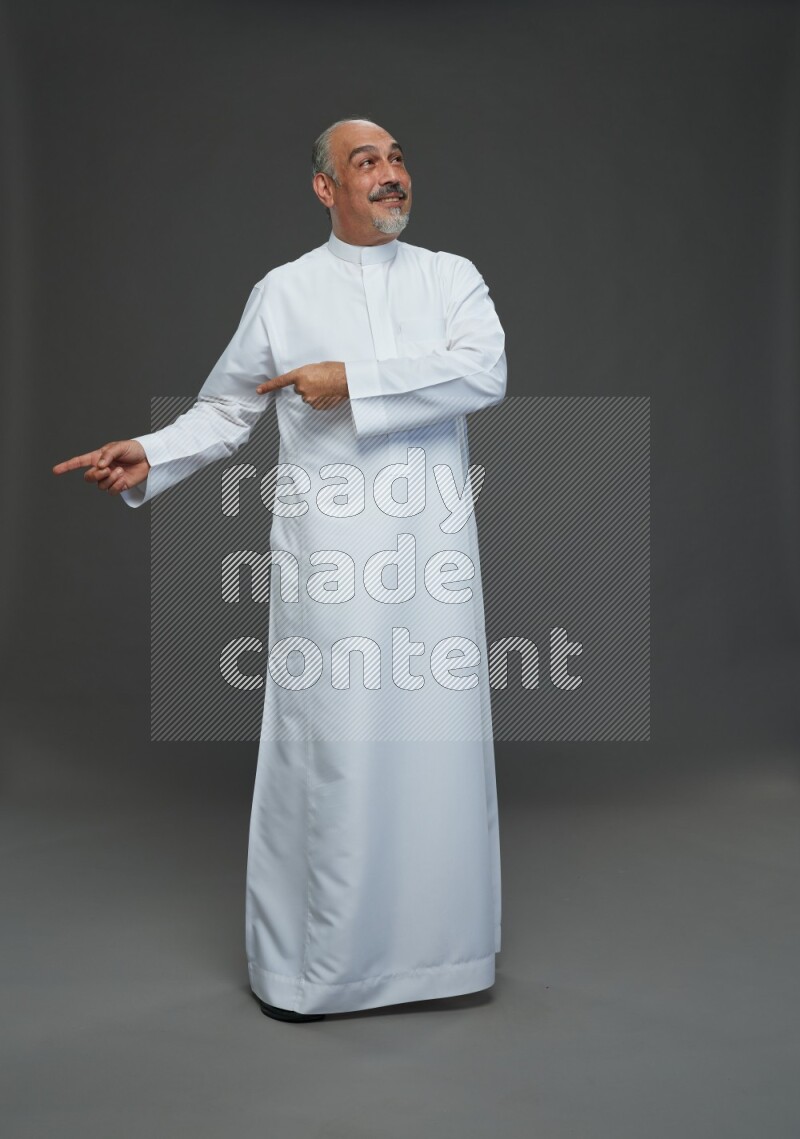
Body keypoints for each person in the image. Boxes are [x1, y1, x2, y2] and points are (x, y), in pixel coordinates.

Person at [53, 118, 507, 1022]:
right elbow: (226, 411)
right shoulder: (286, 291)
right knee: (333, 749)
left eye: (397, 159)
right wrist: (151, 449)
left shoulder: (451, 278)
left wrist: (354, 380)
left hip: (433, 561)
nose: (389, 177)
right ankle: (318, 970)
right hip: (332, 563)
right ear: (324, 188)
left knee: (439, 750)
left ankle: (444, 959)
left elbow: (484, 372)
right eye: (365, 163)